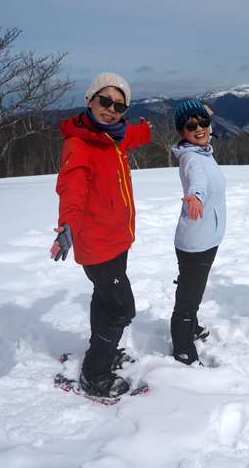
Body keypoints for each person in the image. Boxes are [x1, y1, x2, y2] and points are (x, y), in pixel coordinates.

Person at [50, 72, 151, 398]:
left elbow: (135, 133)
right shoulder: (79, 144)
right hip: (97, 245)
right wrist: (67, 225)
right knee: (121, 309)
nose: (111, 109)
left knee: (104, 299)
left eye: (119, 105)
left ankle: (103, 353)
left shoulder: (115, 136)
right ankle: (95, 374)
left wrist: (147, 128)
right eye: (105, 101)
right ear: (90, 100)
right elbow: (72, 188)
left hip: (117, 240)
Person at [170, 99, 226, 365]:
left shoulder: (202, 150)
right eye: (191, 126)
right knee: (188, 298)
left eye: (203, 123)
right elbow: (198, 181)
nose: (200, 128)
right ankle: (182, 348)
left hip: (206, 236)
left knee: (194, 290)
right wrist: (196, 196)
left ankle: (190, 328)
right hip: (196, 242)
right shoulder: (192, 158)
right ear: (182, 132)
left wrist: (207, 113)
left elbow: (205, 129)